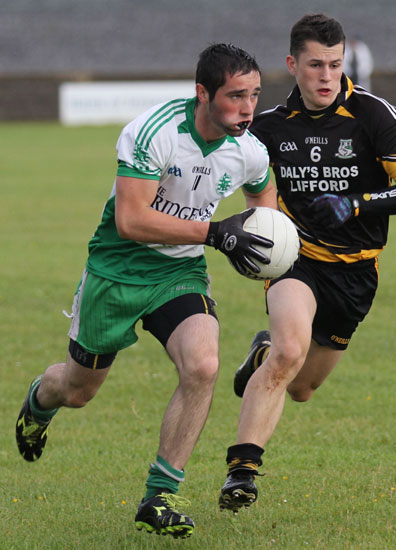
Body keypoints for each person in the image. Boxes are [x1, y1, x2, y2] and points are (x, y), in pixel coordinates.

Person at [15, 43, 277, 539]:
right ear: (202, 93)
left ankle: (160, 494)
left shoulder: (248, 149)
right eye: (236, 95)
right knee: (77, 389)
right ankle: (39, 401)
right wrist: (218, 232)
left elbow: (263, 197)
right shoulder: (153, 132)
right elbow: (131, 219)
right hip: (116, 269)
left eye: (255, 95)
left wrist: (266, 239)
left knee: (203, 365)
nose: (247, 108)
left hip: (178, 274)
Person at [218, 14, 396, 513]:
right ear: (293, 64)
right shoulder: (269, 127)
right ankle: (242, 472)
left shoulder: (374, 115)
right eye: (315, 64)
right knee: (290, 350)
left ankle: (260, 356)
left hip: (357, 273)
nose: (325, 76)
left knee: (303, 389)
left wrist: (355, 203)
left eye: (334, 64)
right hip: (297, 260)